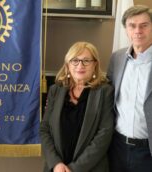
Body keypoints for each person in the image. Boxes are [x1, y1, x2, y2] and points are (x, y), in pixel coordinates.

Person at [40, 42, 114, 172]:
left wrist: (75, 169)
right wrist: (56, 163)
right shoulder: (55, 90)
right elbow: (44, 129)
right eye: (75, 60)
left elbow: (104, 134)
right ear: (68, 64)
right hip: (57, 168)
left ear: (95, 64)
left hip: (90, 168)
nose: (80, 65)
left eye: (86, 61)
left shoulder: (105, 92)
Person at [107, 5, 152, 172]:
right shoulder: (117, 58)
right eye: (132, 25)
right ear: (126, 29)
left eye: (144, 25)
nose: (138, 30)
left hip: (148, 151)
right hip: (117, 147)